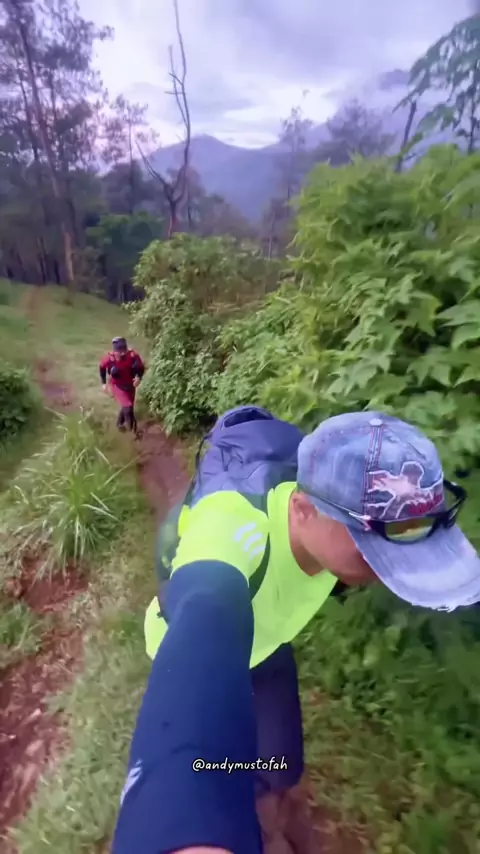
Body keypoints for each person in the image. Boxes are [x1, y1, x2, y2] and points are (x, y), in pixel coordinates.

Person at [142, 410, 480, 852]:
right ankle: (247, 816)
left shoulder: (329, 514)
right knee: (211, 768)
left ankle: (265, 817)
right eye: (370, 550)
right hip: (206, 656)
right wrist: (177, 834)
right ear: (302, 510)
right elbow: (201, 613)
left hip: (269, 643)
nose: (387, 572)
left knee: (281, 764)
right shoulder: (227, 531)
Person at [99, 337, 145, 437]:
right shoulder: (109, 358)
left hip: (130, 385)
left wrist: (138, 378)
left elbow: (141, 368)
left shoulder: (133, 356)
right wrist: (103, 383)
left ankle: (119, 424)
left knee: (128, 407)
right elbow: (102, 367)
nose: (122, 353)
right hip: (117, 385)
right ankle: (133, 432)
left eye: (124, 350)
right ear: (114, 351)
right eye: (119, 351)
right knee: (128, 407)